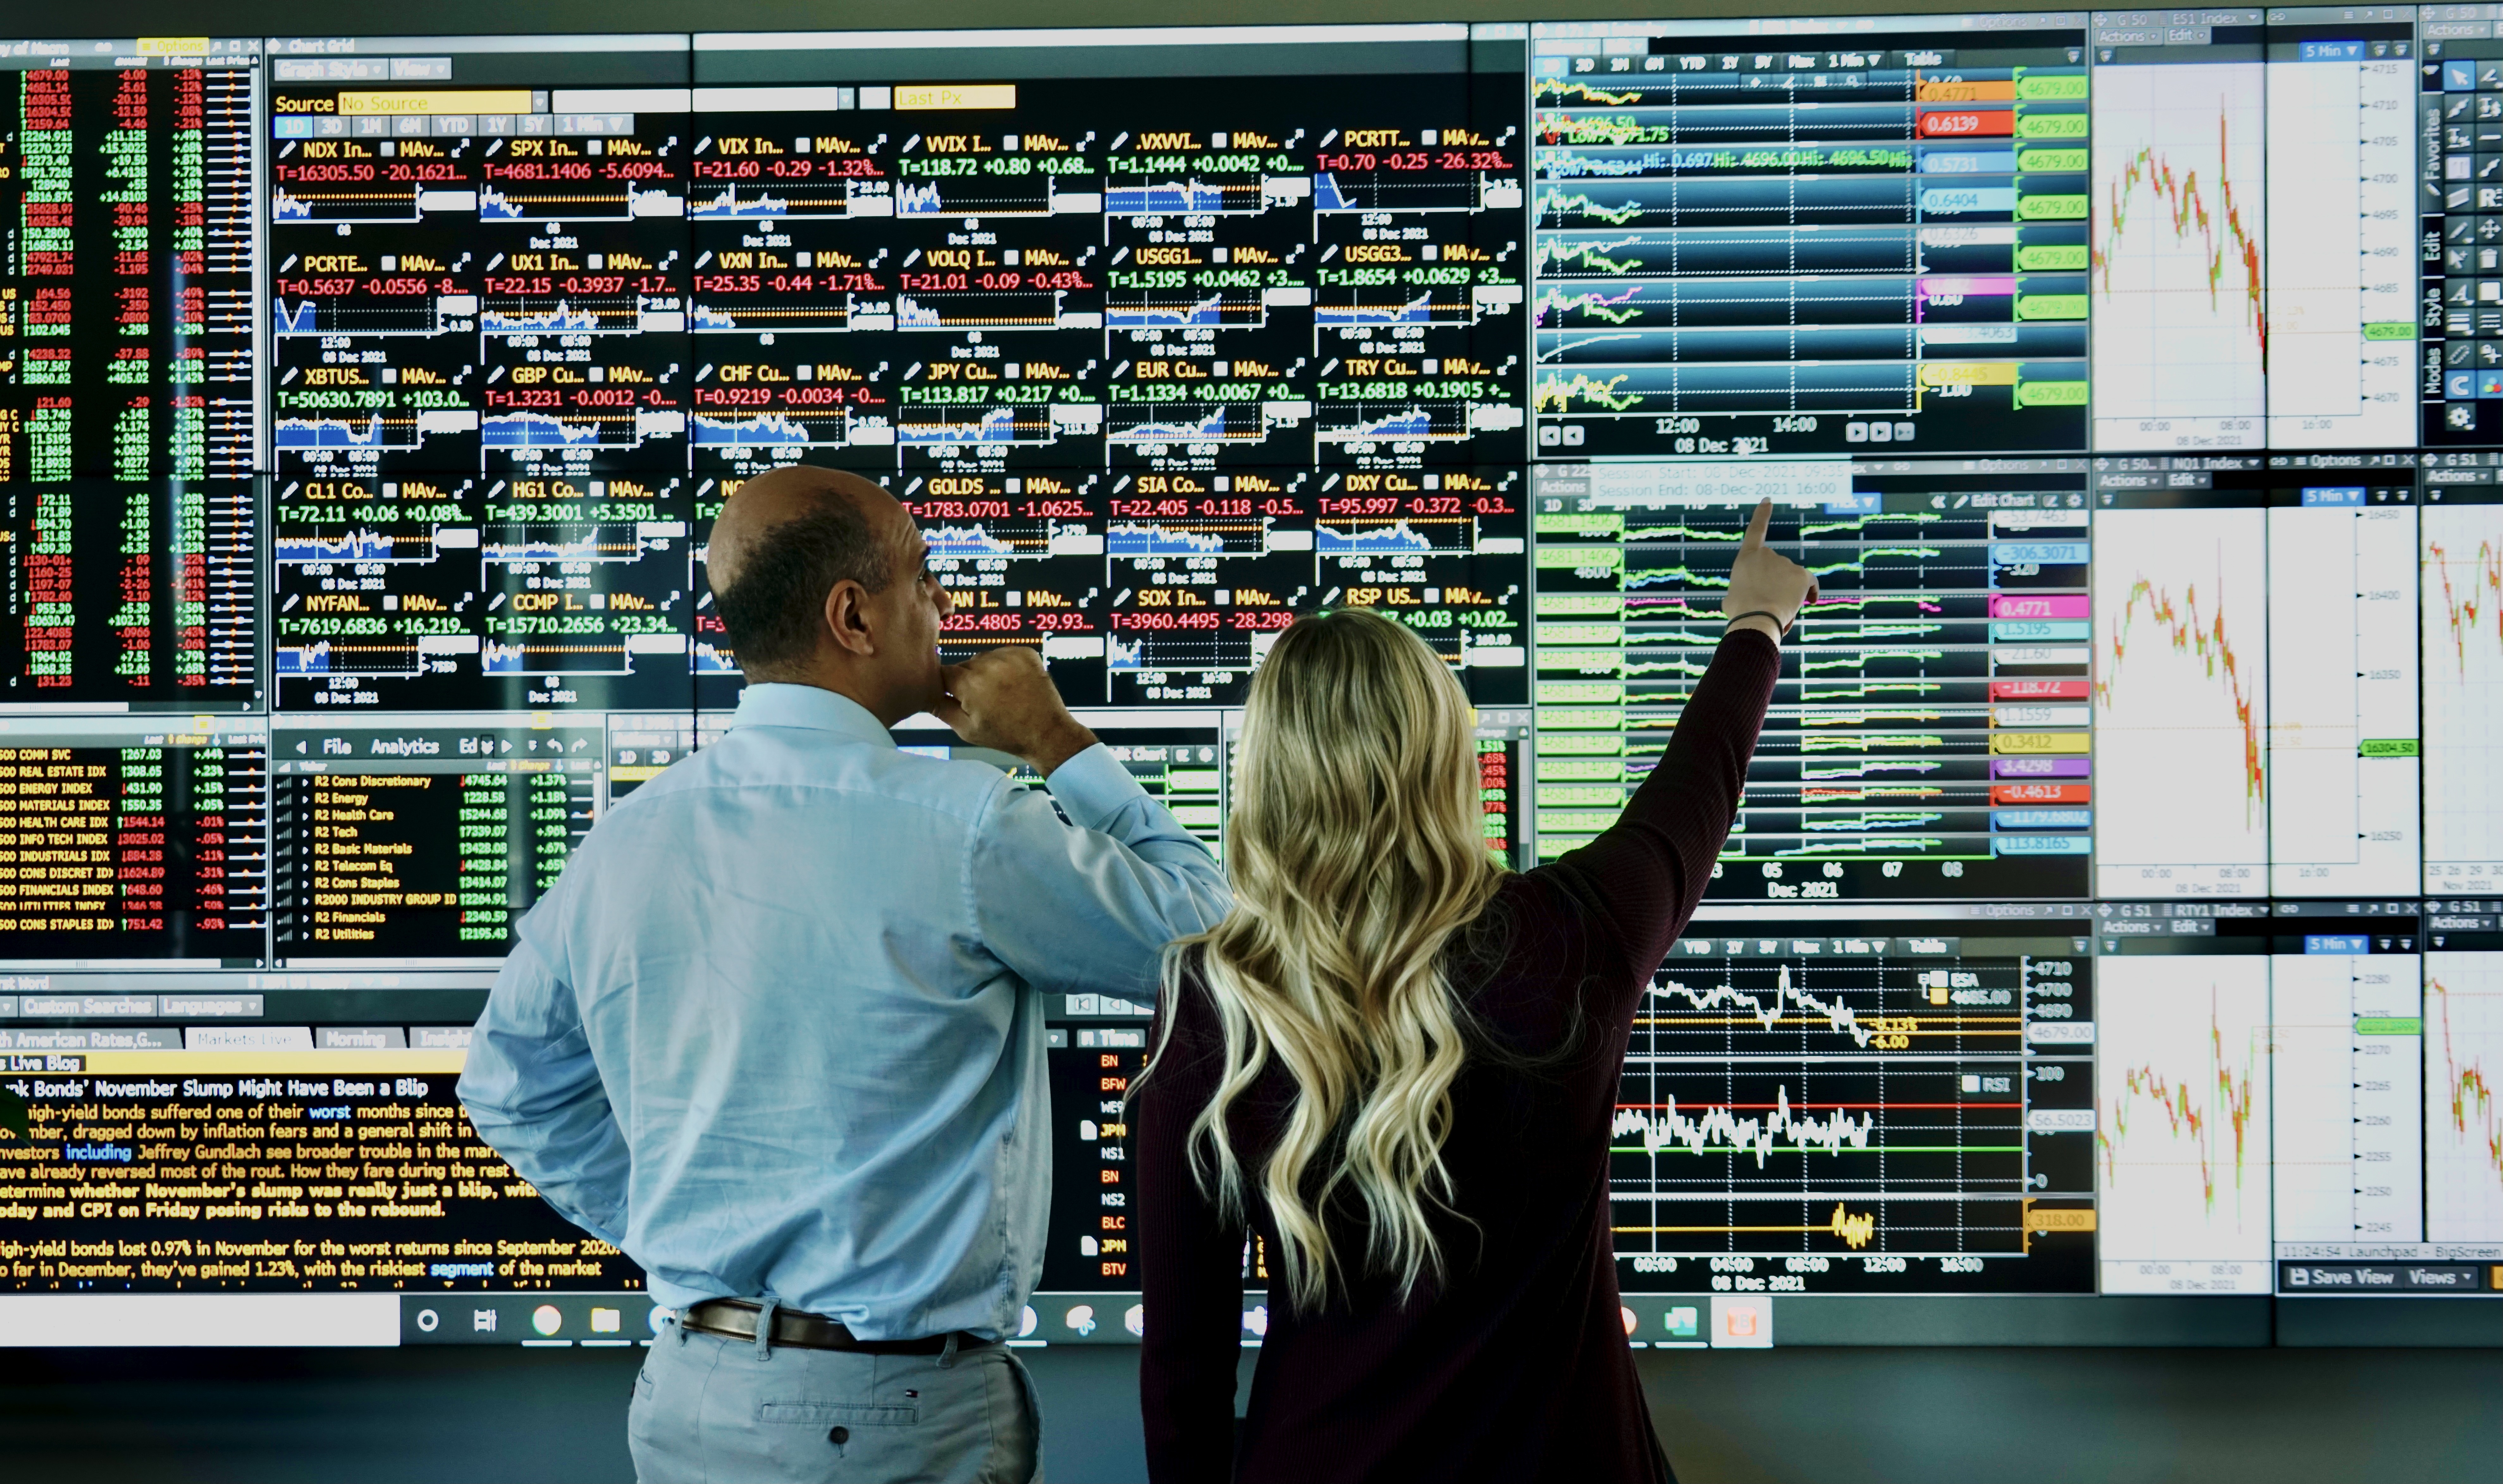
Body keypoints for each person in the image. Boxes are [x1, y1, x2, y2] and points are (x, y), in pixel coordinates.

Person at [459, 465, 1230, 1484]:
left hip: (689, 1393)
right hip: (886, 1417)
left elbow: (509, 1086)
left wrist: (684, 1233)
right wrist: (1055, 740)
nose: (945, 606)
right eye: (923, 578)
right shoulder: (966, 829)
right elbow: (1220, 939)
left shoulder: (626, 838)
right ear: (853, 617)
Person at [1133, 499, 1816, 1483]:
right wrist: (1753, 625)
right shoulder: (1575, 930)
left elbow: (1184, 1369)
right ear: (1452, 759)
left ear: (1267, 779)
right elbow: (1697, 786)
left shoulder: (1213, 1000)